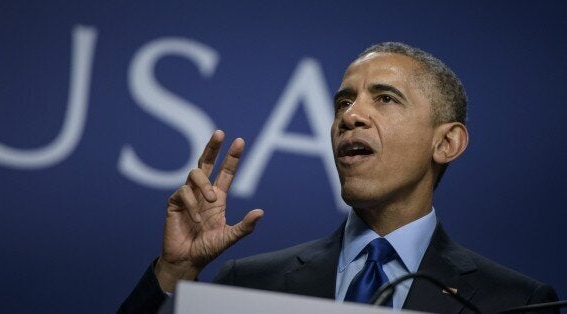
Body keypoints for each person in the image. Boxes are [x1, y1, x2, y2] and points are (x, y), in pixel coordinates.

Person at [118, 42, 558, 313]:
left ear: (446, 144)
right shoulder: (248, 283)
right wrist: (175, 272)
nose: (351, 116)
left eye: (385, 99)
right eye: (343, 102)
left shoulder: (514, 303)